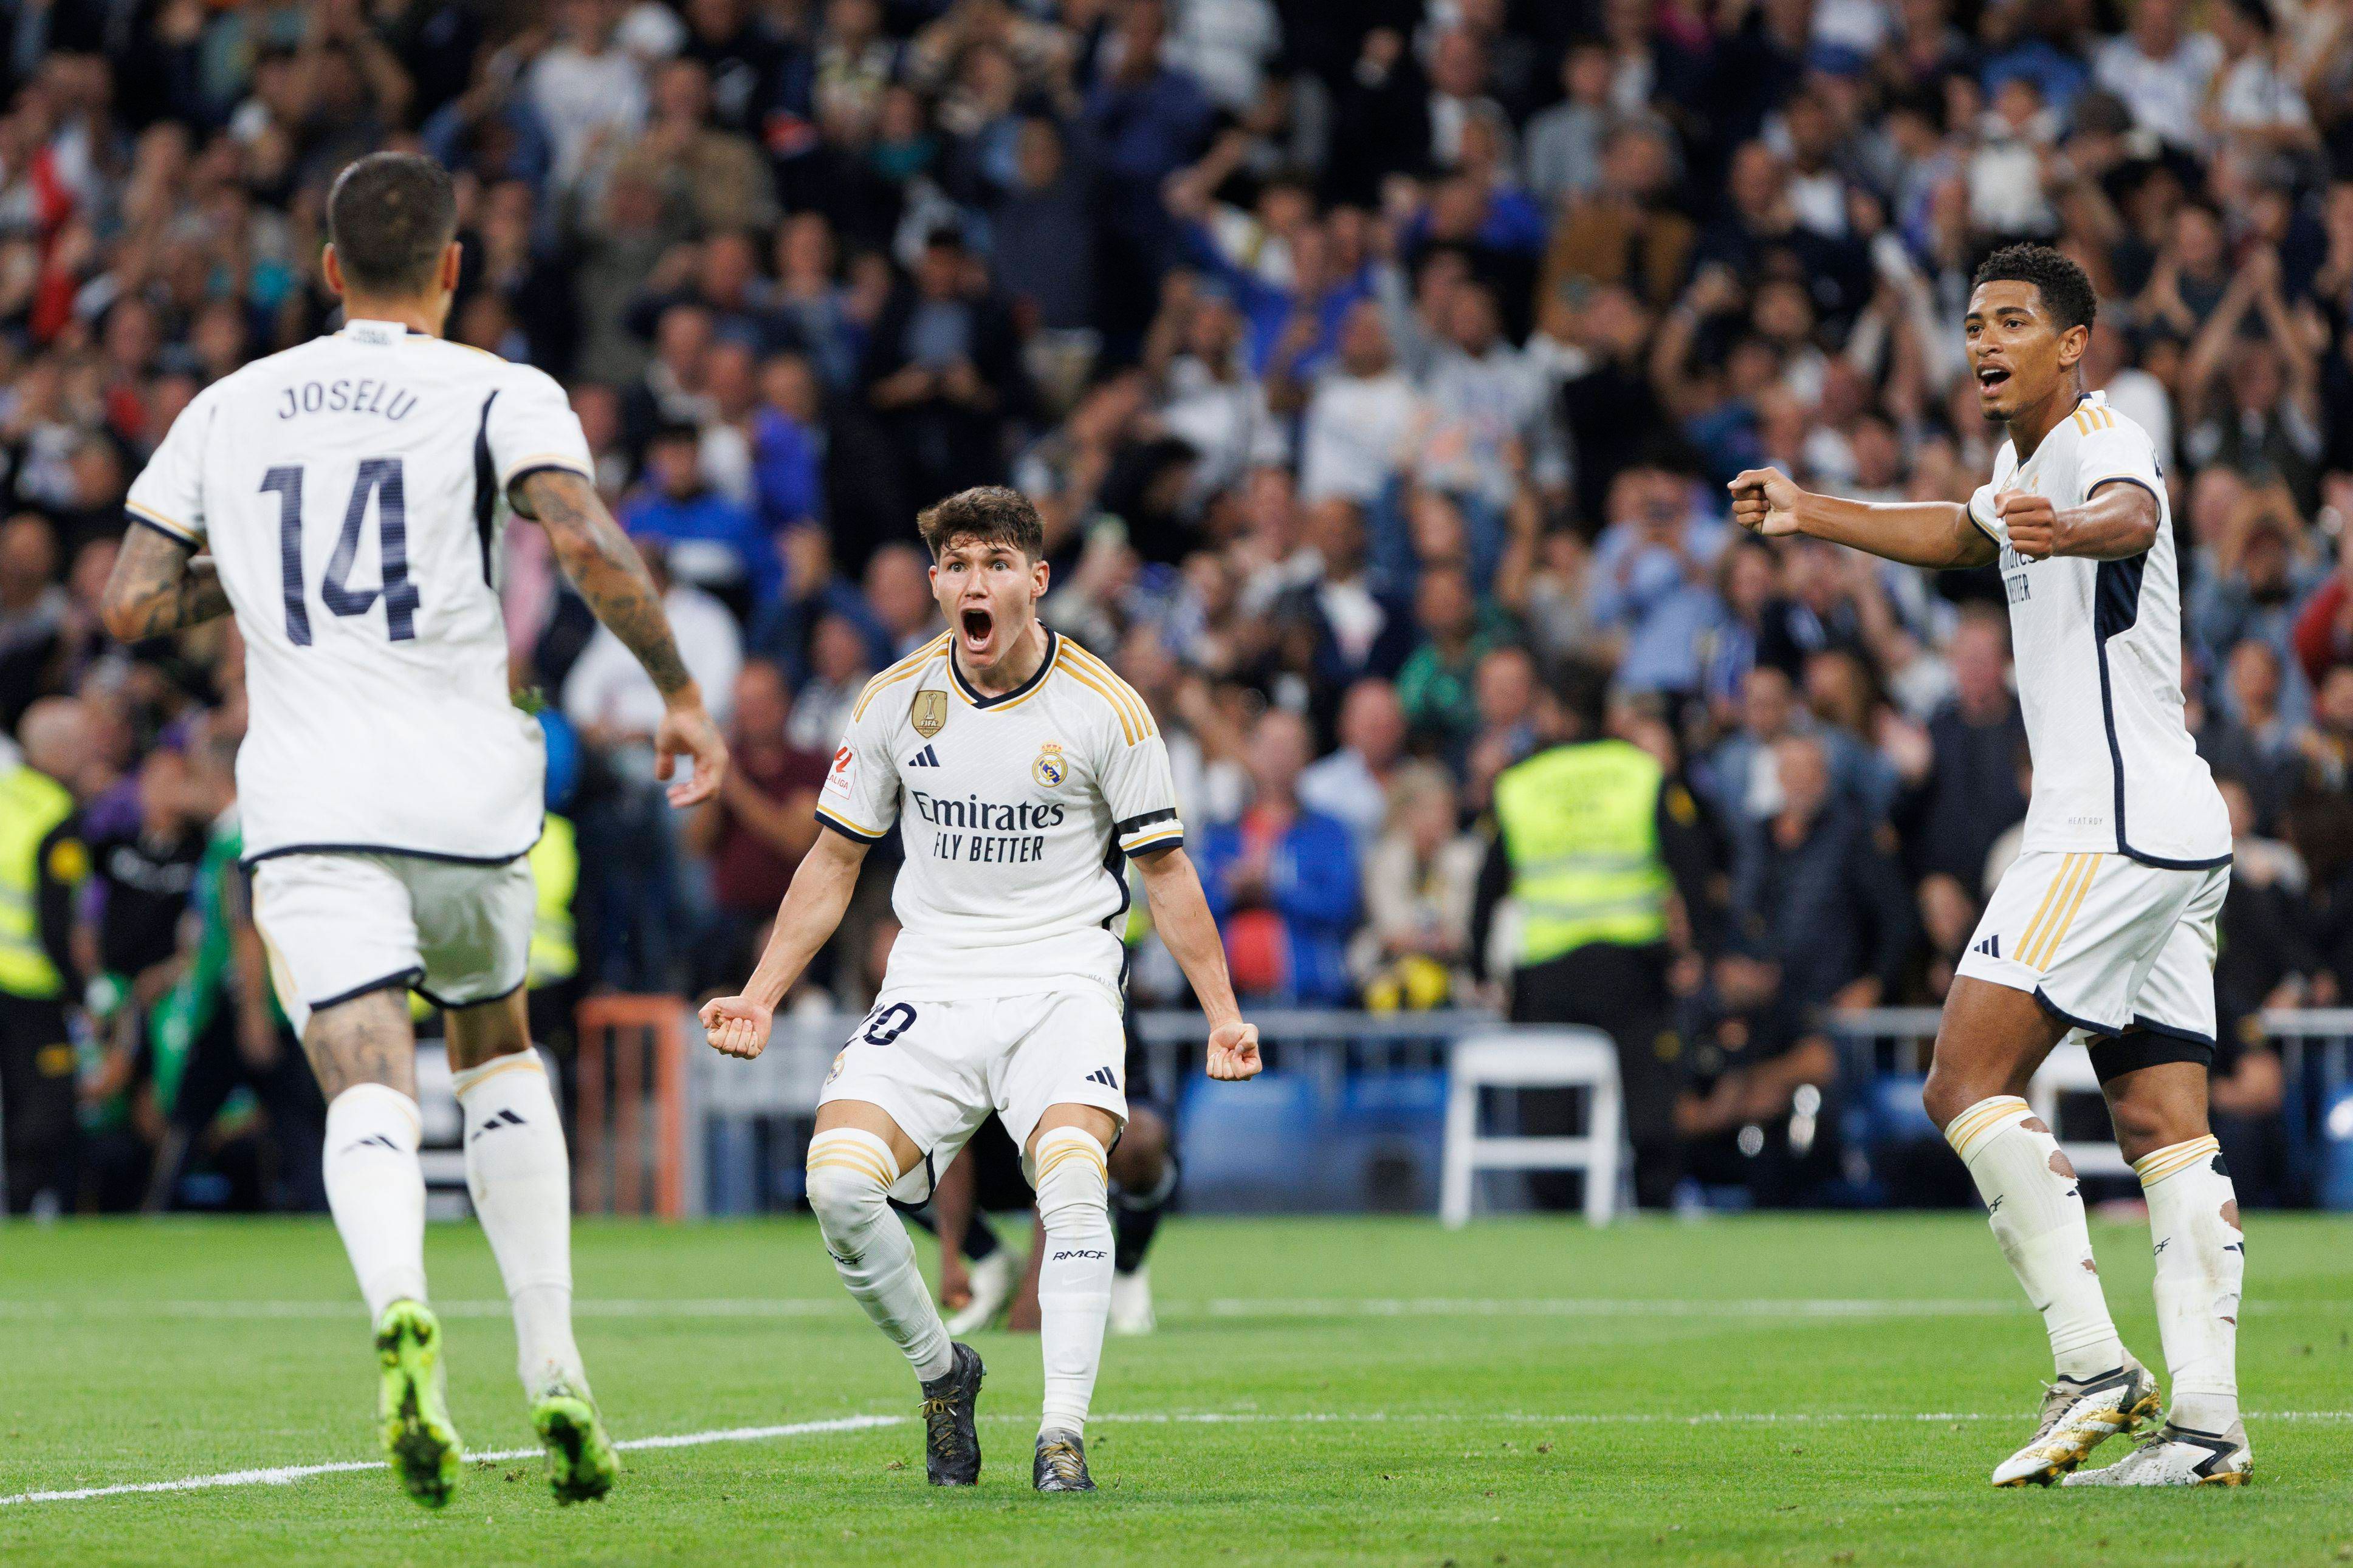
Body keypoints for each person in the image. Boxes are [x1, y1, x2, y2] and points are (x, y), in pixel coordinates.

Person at [98, 152, 728, 1509]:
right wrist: (679, 692)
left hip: (311, 801)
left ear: (329, 269)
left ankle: (399, 1302)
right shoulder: (501, 389)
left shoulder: (229, 404)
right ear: (451, 266)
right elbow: (585, 540)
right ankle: (554, 1358)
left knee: (363, 1069)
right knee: (494, 1047)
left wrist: (242, 576)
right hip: (465, 793)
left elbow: (131, 602)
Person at [1730, 244, 2247, 1488]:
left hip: (2104, 825)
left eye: (2011, 320)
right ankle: (2206, 1427)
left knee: (1964, 1078)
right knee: (2162, 1126)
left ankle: (2092, 1363)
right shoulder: (2020, 468)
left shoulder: (2098, 440)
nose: (1983, 341)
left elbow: (2132, 513)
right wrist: (1809, 511)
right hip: (2173, 829)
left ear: (2071, 343)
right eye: (1972, 323)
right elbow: (1958, 535)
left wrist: (2066, 528)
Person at [699, 485, 1260, 1494]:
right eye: (957, 563)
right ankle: (942, 1373)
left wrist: (1222, 1013)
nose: (975, 581)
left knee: (1075, 1178)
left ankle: (1061, 1435)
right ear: (935, 584)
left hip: (1061, 977)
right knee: (837, 1185)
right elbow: (833, 860)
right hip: (934, 978)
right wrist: (761, 993)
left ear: (1036, 582)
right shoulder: (892, 701)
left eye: (996, 563)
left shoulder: (1105, 707)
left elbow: (1168, 874)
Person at [1469, 662, 1720, 1208]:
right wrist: (1701, 948)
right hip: (1632, 967)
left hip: (1548, 969)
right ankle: (1655, 1209)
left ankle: (1557, 1218)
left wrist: (1479, 968)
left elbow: (1486, 888)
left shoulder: (1520, 784)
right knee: (1649, 1100)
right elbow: (1691, 867)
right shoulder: (1640, 773)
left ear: (1554, 712)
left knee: (1549, 1112)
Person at [0, 697, 95, 1214]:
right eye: (82, 744)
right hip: (31, 985)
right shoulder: (56, 812)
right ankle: (24, 1203)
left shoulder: (5, 792)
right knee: (47, 1105)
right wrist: (82, 992)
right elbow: (56, 919)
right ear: (57, 750)